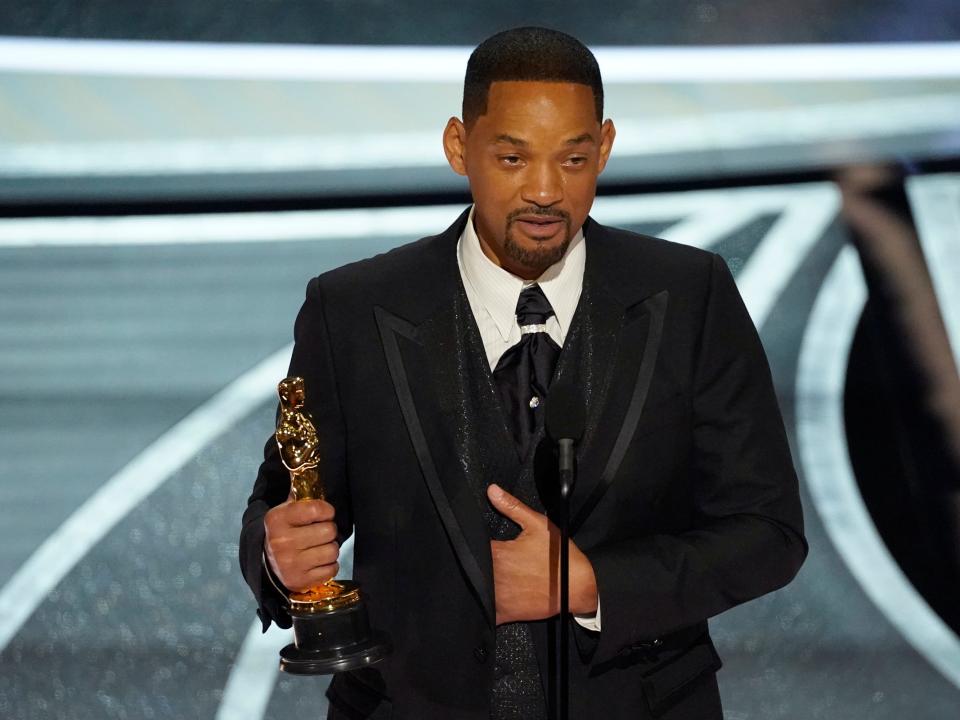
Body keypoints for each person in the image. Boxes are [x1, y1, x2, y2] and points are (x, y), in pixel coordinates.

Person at [240, 26, 807, 720]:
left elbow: (767, 533)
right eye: (513, 157)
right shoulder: (352, 309)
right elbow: (286, 503)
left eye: (573, 160)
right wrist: (278, 558)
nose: (545, 191)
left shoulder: (691, 294)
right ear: (459, 147)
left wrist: (591, 583)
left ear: (603, 147)